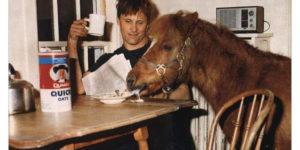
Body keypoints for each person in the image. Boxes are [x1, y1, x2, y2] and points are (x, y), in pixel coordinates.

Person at [67, 0, 193, 149]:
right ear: (118, 21)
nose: (133, 29)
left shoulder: (160, 52)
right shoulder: (108, 60)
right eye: (128, 21)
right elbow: (79, 88)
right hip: (124, 135)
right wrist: (72, 41)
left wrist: (150, 95)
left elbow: (184, 94)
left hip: (158, 134)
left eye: (140, 22)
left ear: (148, 24)